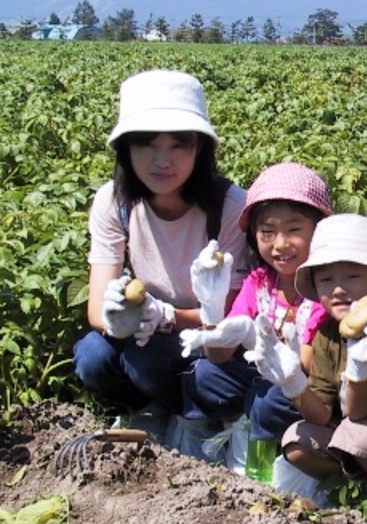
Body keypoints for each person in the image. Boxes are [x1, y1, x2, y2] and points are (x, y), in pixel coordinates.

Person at [72, 69, 249, 456]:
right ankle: (145, 410)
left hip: (207, 341)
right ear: (126, 151)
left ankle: (195, 413)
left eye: (178, 145)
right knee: (92, 356)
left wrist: (167, 316)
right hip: (147, 331)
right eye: (147, 145)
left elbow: (233, 313)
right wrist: (119, 318)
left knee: (147, 358)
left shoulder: (230, 206)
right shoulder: (114, 203)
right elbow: (96, 307)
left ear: (199, 149)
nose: (162, 160)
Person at [246, 213, 367, 524]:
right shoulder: (328, 335)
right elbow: (320, 415)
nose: (339, 290)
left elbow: (359, 412)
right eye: (327, 280)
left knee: (355, 433)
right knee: (296, 439)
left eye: (352, 277)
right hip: (351, 437)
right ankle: (349, 489)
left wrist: (361, 364)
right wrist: (294, 384)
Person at [178, 162, 332, 481]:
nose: (279, 244)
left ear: (319, 230)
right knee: (203, 374)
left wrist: (267, 351)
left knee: (267, 401)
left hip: (302, 386)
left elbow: (303, 363)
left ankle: (257, 472)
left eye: (294, 229)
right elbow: (219, 355)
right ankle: (196, 449)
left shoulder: (323, 289)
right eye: (267, 231)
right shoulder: (259, 282)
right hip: (262, 376)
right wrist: (212, 313)